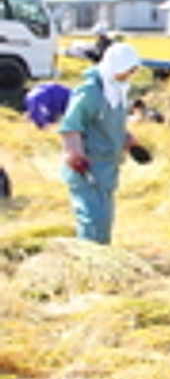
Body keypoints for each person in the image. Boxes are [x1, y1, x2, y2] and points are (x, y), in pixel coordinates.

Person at [57, 43, 149, 244]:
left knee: (104, 219)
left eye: (132, 70)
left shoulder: (118, 91)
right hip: (87, 167)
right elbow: (71, 126)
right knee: (91, 218)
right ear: (114, 67)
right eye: (127, 71)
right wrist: (75, 155)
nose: (130, 75)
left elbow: (112, 124)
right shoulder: (90, 92)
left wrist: (131, 144)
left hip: (107, 167)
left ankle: (102, 257)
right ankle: (88, 262)